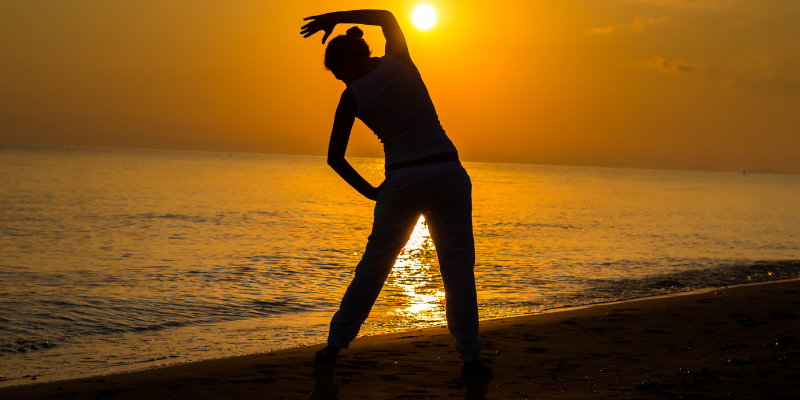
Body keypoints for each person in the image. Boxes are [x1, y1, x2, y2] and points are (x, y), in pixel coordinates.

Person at [300, 9, 490, 375]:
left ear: (349, 62)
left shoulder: (351, 97)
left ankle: (334, 348)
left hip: (400, 182)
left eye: (339, 72)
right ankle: (471, 358)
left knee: (373, 268)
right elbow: (387, 15)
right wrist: (333, 18)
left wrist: (373, 192)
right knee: (458, 270)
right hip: (446, 171)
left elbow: (334, 159)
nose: (340, 80)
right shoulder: (400, 61)